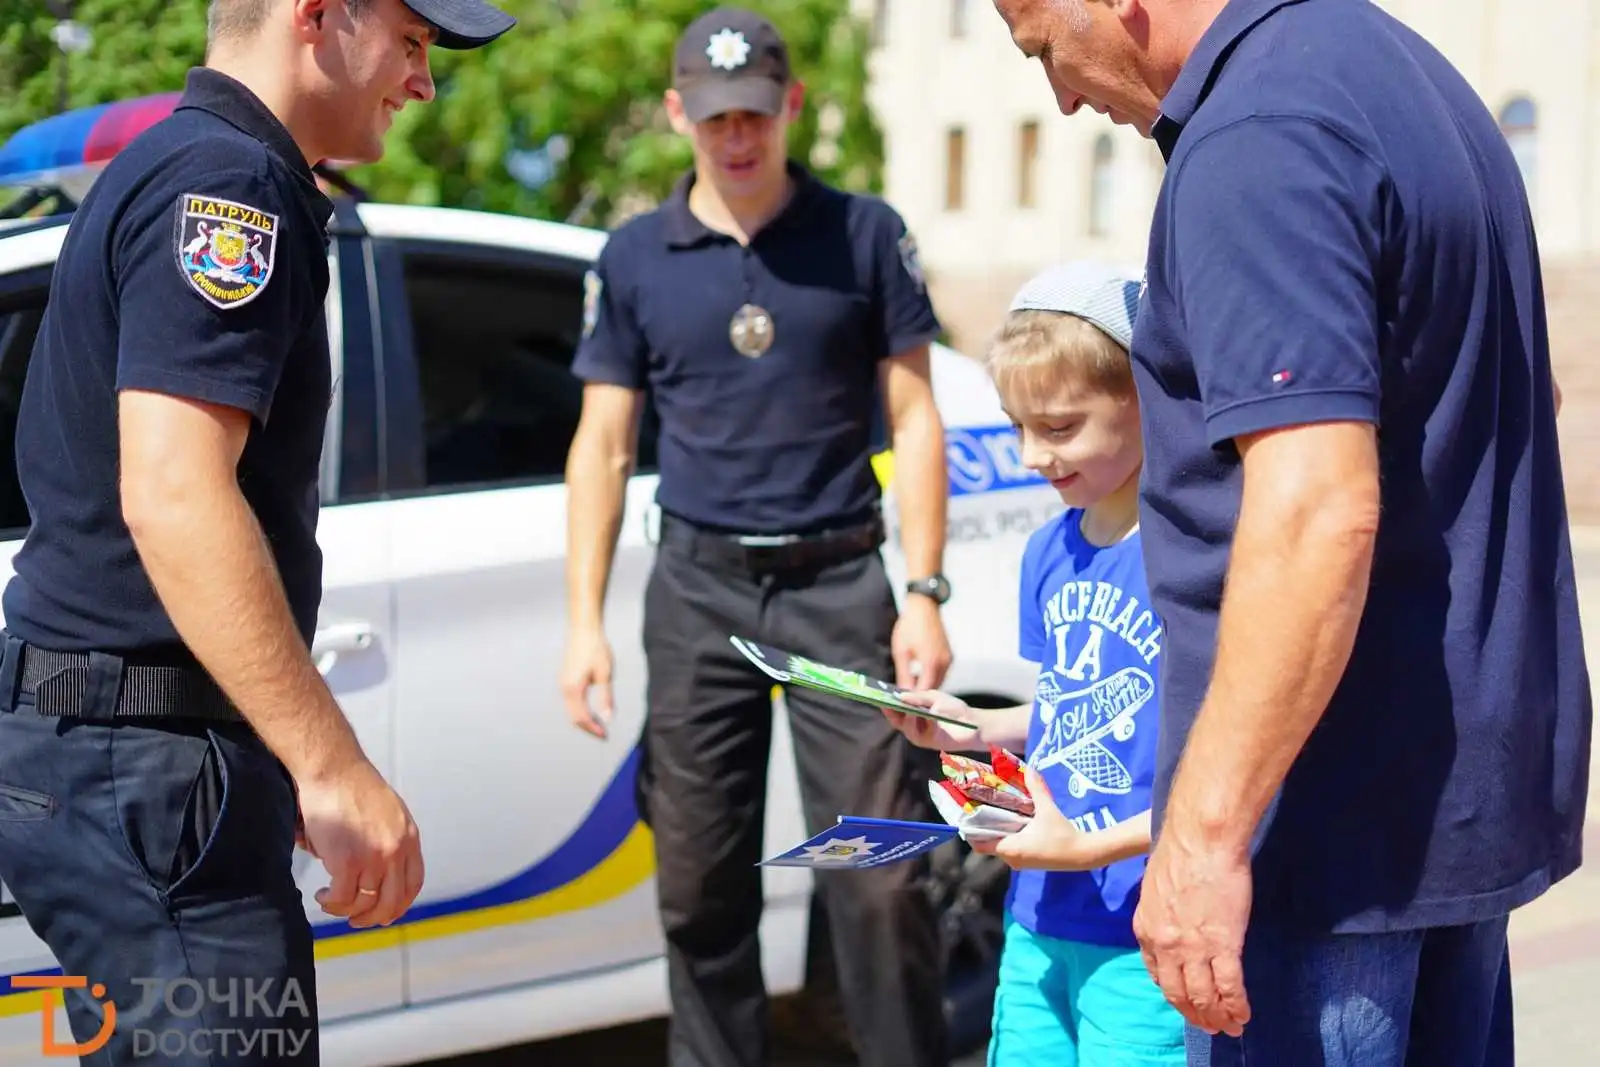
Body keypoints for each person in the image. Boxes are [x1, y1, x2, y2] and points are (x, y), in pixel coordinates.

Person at [989, 1, 1593, 1065]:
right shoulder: (1402, 76)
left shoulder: (1256, 133)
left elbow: (1317, 508)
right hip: (1450, 805)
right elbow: (1520, 404)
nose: (1063, 97)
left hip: (1329, 837)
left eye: (1044, 48)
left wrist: (1204, 834)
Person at [0, 0, 514, 1062]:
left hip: (131, 757)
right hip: (146, 768)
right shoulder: (228, 185)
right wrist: (329, 765)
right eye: (413, 44)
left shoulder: (184, 163)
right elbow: (175, 492)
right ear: (317, 14)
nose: (423, 82)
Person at [559, 7, 955, 1066]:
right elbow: (603, 445)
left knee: (880, 878)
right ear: (677, 113)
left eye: (755, 114)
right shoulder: (634, 256)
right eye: (715, 117)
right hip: (699, 591)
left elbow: (916, 417)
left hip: (839, 584)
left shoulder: (863, 234)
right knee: (698, 887)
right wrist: (582, 622)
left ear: (792, 106)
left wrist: (924, 590)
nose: (736, 137)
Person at [884, 261, 1186, 1067]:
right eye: (1017, 427)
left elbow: (1227, 765)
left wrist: (1088, 847)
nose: (1031, 456)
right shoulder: (1049, 549)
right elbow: (1069, 703)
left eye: (1058, 428)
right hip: (1039, 913)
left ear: (1145, 397)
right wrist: (974, 725)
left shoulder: (1190, 557)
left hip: (1145, 924)